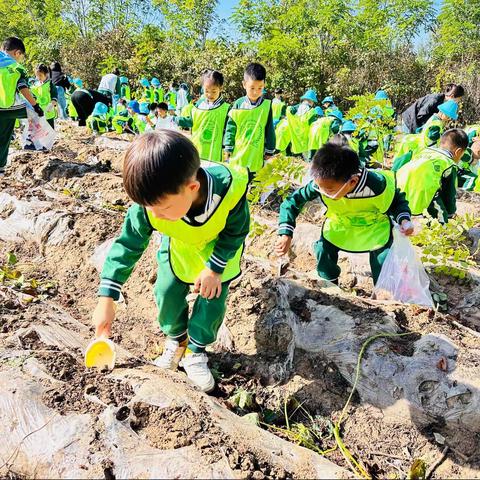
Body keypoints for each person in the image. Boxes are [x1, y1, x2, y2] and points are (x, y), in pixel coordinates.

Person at [92, 131, 250, 392]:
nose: (154, 215)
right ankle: (177, 341)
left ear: (192, 188)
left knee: (211, 300)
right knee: (165, 291)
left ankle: (196, 351)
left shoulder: (228, 193)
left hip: (217, 249)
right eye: (149, 208)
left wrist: (214, 268)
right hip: (179, 243)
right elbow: (128, 244)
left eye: (162, 208)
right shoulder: (153, 201)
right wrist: (106, 298)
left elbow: (237, 231)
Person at [275, 142, 413, 285]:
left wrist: (404, 220)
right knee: (323, 250)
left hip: (374, 228)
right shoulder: (323, 183)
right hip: (341, 225)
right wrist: (285, 234)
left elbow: (397, 201)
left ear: (352, 181)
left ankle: (383, 290)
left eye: (329, 190)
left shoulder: (377, 185)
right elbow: (292, 202)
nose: (323, 193)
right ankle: (329, 285)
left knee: (382, 259)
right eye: (320, 188)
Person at [396, 129, 468, 224]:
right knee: (440, 216)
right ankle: (441, 229)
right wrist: (451, 213)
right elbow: (449, 194)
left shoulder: (423, 151)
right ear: (458, 152)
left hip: (400, 189)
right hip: (423, 193)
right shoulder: (448, 164)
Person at [0, 37, 44, 175]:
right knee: (37, 113)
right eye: (22, 57)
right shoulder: (16, 67)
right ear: (17, 53)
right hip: (10, 107)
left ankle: (1, 167)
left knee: (5, 132)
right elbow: (23, 88)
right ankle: (32, 142)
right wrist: (35, 106)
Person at [224, 62, 275, 178]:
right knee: (237, 183)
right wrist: (228, 146)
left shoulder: (266, 106)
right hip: (238, 154)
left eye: (260, 88)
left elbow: (269, 128)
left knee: (254, 185)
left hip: (255, 155)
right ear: (244, 84)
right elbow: (231, 127)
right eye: (252, 88)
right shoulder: (238, 104)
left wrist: (269, 150)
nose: (256, 92)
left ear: (264, 85)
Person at [174, 69, 230, 163]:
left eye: (214, 91)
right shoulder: (197, 106)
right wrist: (175, 119)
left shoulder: (226, 109)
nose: (209, 94)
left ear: (221, 88)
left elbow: (229, 131)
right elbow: (191, 121)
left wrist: (228, 148)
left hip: (215, 155)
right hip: (197, 152)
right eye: (206, 91)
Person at [392, 99, 459, 172]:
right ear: (442, 113)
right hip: (422, 147)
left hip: (418, 142)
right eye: (448, 116)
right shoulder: (437, 124)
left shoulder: (433, 118)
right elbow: (432, 136)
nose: (449, 119)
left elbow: (423, 128)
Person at [286, 89, 321, 157]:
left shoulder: (297, 107)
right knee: (306, 155)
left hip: (296, 133)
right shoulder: (311, 111)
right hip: (306, 134)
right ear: (310, 101)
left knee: (297, 153)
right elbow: (312, 123)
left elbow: (290, 111)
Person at [31, 64, 58, 129]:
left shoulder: (50, 84)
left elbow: (54, 95)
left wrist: (52, 102)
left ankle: (50, 139)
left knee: (50, 129)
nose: (38, 78)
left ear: (46, 74)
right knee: (41, 130)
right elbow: (33, 96)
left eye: (40, 75)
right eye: (37, 76)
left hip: (48, 111)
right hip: (39, 112)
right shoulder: (35, 85)